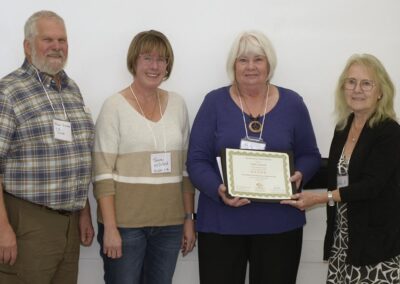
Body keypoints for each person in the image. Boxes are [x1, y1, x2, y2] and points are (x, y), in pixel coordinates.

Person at [187, 30, 321, 284]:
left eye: (258, 59)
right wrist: (219, 190)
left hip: (279, 223)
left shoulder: (293, 103)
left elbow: (310, 155)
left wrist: (300, 172)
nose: (250, 67)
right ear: (233, 66)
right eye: (243, 60)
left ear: (269, 65)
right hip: (221, 222)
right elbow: (196, 159)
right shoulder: (213, 102)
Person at [282, 54, 400, 283]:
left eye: (366, 83)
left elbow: (370, 186)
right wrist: (298, 174)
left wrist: (320, 198)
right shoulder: (343, 127)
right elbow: (338, 172)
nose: (357, 89)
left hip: (376, 245)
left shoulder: (390, 132)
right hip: (343, 240)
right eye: (351, 82)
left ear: (381, 92)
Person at [92, 30, 196, 284]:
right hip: (126, 226)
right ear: (134, 62)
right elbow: (102, 173)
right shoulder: (113, 106)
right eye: (147, 58)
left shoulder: (178, 105)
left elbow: (186, 170)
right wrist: (111, 229)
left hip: (169, 226)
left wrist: (188, 220)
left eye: (162, 59)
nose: (154, 66)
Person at [0, 10, 95, 284]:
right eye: (48, 39)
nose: (57, 46)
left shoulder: (71, 89)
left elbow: (77, 155)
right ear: (28, 46)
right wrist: (3, 228)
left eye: (62, 39)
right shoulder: (9, 92)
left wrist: (84, 212)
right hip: (27, 223)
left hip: (70, 223)